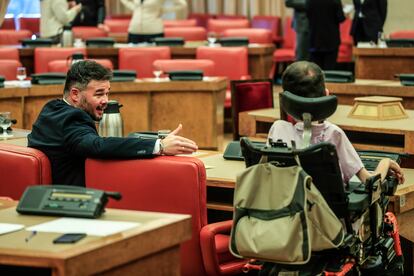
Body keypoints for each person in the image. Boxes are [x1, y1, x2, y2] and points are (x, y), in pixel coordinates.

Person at [28, 60, 198, 187]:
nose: (106, 101)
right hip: (72, 204)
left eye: (107, 93)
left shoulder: (51, 109)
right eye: (99, 94)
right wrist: (159, 146)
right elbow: (97, 145)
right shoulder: (73, 119)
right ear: (75, 94)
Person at [267, 61, 404, 185]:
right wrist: (386, 163)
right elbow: (369, 181)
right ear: (326, 95)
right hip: (327, 211)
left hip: (287, 208)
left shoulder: (278, 129)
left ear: (285, 100)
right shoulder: (333, 133)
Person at [120, 0, 187, 44]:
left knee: (153, 57)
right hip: (134, 30)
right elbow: (136, 6)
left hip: (153, 31)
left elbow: (182, 4)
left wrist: (163, 10)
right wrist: (135, 9)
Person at [306, 0, 345, 70]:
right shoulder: (335, 1)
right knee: (329, 70)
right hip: (331, 39)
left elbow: (307, 16)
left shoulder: (309, 1)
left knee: (316, 70)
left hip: (314, 38)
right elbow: (341, 18)